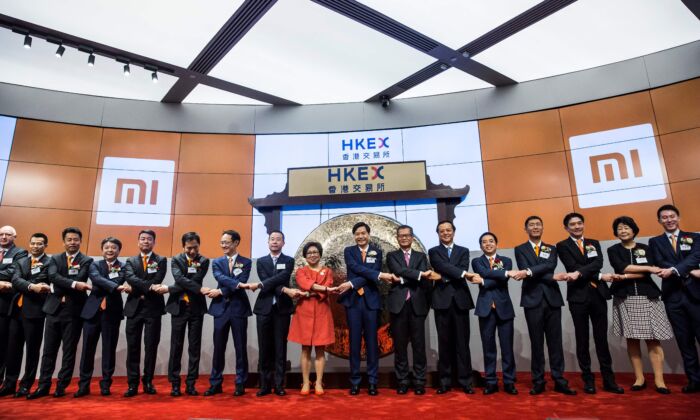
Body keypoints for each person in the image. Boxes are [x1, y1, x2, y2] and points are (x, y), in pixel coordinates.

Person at [604, 216, 673, 394]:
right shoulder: (613, 250)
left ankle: (659, 380)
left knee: (653, 339)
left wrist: (646, 269)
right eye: (619, 228)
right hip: (624, 297)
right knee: (631, 339)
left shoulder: (646, 248)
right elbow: (622, 267)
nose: (623, 231)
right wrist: (646, 269)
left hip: (647, 296)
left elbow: (649, 269)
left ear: (634, 230)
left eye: (626, 227)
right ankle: (639, 378)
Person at [556, 213, 623, 394]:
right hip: (578, 297)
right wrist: (597, 274)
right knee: (582, 339)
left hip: (598, 294)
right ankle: (588, 380)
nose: (577, 227)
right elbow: (572, 266)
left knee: (602, 339)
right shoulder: (562, 246)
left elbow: (598, 263)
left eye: (579, 223)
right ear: (566, 228)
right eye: (572, 224)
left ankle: (609, 380)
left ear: (583, 224)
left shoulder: (594, 242)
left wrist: (582, 273)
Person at [514, 216, 575, 395]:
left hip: (552, 299)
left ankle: (559, 379)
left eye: (538, 224)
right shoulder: (520, 249)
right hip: (532, 300)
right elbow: (530, 268)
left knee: (555, 342)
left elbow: (550, 265)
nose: (535, 227)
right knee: (536, 343)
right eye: (531, 225)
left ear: (542, 227)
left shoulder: (551, 248)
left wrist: (529, 271)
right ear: (526, 229)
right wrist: (532, 272)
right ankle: (538, 380)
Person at [30, 227, 93, 399]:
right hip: (53, 310)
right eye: (69, 239)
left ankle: (62, 386)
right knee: (48, 351)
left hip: (74, 311)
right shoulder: (54, 259)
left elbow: (80, 277)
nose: (72, 242)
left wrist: (66, 282)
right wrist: (73, 285)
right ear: (64, 241)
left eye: (75, 239)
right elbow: (52, 277)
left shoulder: (87, 260)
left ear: (80, 241)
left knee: (69, 351)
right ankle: (43, 386)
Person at [336, 221, 397, 396]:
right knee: (354, 343)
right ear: (354, 236)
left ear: (368, 234)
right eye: (357, 234)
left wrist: (352, 282)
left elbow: (372, 272)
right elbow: (355, 268)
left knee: (372, 343)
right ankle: (354, 382)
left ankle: (372, 382)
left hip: (371, 302)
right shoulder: (349, 251)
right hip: (353, 303)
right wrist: (377, 275)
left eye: (363, 233)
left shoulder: (377, 251)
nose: (360, 236)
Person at [648, 204, 700, 393]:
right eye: (664, 217)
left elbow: (696, 257)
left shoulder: (694, 237)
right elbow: (659, 261)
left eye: (672, 216)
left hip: (696, 296)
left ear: (678, 217)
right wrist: (687, 271)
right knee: (684, 341)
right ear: (659, 221)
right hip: (673, 298)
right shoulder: (655, 242)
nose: (669, 220)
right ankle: (694, 380)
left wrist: (676, 270)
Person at [428, 220, 481, 395]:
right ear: (438, 234)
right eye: (442, 231)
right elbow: (441, 266)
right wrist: (461, 275)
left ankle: (466, 381)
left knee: (462, 343)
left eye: (448, 230)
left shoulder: (463, 251)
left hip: (460, 300)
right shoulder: (433, 251)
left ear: (454, 232)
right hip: (442, 301)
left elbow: (461, 267)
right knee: (444, 343)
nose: (445, 233)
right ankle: (445, 381)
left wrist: (444, 277)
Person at [76, 237, 129, 397]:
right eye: (107, 247)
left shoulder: (124, 266)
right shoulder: (94, 264)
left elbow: (117, 279)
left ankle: (105, 384)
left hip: (111, 313)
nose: (110, 250)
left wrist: (109, 284)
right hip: (92, 312)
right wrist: (115, 287)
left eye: (113, 247)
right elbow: (96, 278)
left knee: (109, 349)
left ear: (119, 250)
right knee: (87, 350)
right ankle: (83, 385)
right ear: (102, 249)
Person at [244, 230, 296, 397]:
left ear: (283, 243)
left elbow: (282, 277)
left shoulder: (289, 260)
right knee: (264, 347)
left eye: (278, 239)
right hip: (264, 308)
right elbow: (271, 281)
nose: (275, 242)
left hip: (282, 309)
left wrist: (259, 285)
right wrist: (266, 284)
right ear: (268, 242)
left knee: (281, 348)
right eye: (272, 239)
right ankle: (264, 385)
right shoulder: (261, 261)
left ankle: (279, 385)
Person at [0, 233, 52, 398]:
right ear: (29, 244)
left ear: (46, 245)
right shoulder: (21, 261)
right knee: (12, 349)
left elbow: (43, 279)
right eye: (33, 243)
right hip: (15, 311)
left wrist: (25, 284)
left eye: (40, 244)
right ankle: (9, 383)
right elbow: (15, 279)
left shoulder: (49, 262)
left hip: (35, 312)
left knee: (32, 351)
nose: (36, 246)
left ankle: (25, 385)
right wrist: (31, 287)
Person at [385, 225, 432, 395]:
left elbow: (424, 282)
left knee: (419, 346)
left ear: (412, 237)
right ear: (397, 238)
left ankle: (420, 381)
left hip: (418, 305)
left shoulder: (421, 256)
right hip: (398, 306)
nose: (404, 238)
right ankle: (402, 380)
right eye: (401, 236)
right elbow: (399, 270)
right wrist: (419, 275)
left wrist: (403, 280)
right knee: (400, 346)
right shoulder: (392, 256)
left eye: (407, 235)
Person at [204, 230, 252, 397]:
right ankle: (215, 383)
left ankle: (240, 383)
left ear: (236, 243)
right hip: (221, 310)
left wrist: (221, 291)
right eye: (221, 242)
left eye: (226, 242)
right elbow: (222, 278)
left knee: (240, 348)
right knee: (218, 348)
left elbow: (243, 280)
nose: (223, 245)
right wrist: (234, 287)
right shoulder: (216, 262)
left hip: (239, 309)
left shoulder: (246, 262)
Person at [122, 229, 168, 397]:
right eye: (142, 239)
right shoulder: (130, 260)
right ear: (138, 242)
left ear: (154, 242)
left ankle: (148, 381)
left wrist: (140, 289)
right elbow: (129, 277)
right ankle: (132, 384)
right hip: (134, 309)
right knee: (132, 347)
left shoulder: (161, 260)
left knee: (151, 347)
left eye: (149, 239)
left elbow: (158, 279)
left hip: (153, 309)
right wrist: (147, 287)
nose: (146, 241)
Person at [471, 232, 517, 395]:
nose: (488, 244)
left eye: (491, 241)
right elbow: (486, 273)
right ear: (481, 246)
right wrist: (504, 273)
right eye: (484, 242)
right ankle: (490, 381)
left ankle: (509, 381)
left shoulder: (506, 260)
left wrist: (483, 281)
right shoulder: (477, 261)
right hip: (485, 309)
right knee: (488, 347)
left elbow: (501, 280)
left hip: (504, 308)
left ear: (496, 243)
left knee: (507, 348)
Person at [165, 232, 210, 397]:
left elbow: (195, 279)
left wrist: (173, 287)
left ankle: (191, 383)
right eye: (189, 248)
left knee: (194, 347)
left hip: (196, 308)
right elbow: (180, 279)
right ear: (183, 247)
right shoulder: (176, 259)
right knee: (176, 346)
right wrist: (197, 288)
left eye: (195, 248)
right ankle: (174, 384)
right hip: (179, 307)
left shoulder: (204, 261)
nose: (192, 251)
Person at [288, 241, 335, 396]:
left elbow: (325, 286)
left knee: (321, 348)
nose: (312, 255)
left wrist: (311, 291)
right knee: (305, 348)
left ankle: (319, 382)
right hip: (304, 311)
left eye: (315, 252)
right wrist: (322, 289)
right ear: (305, 256)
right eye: (309, 253)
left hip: (322, 310)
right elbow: (304, 283)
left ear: (320, 254)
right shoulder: (301, 271)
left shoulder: (328, 270)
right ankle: (306, 382)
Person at [0, 225, 28, 396]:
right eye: (1, 234)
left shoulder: (20, 253)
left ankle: (9, 383)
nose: (3, 237)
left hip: (9, 307)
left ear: (14, 236)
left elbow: (12, 272)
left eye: (7, 234)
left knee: (10, 347)